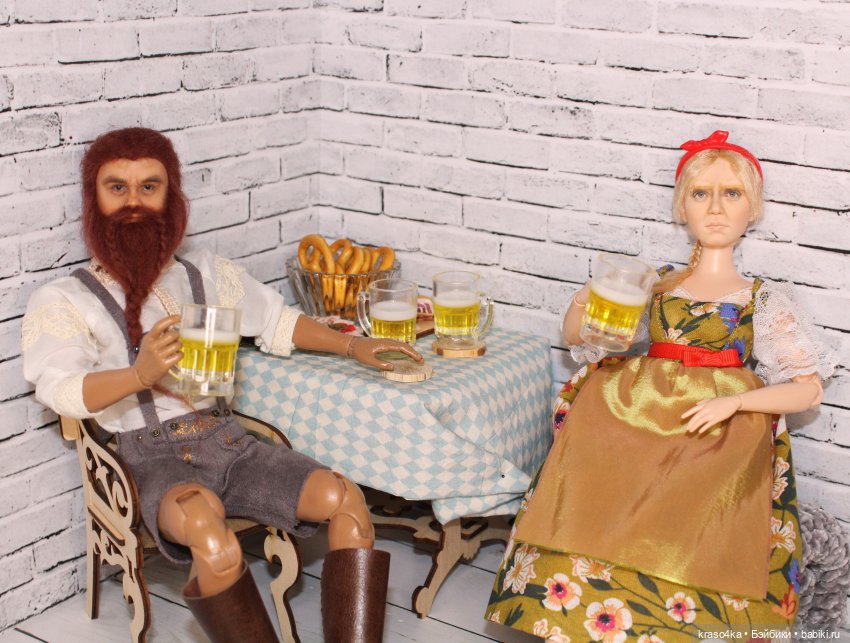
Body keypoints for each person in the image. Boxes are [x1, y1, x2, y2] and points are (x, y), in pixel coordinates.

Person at [22, 127, 423, 643]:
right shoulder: (65, 299)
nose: (134, 201)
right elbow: (61, 389)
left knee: (346, 499)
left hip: (228, 443)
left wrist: (353, 346)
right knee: (213, 542)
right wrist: (139, 375)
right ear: (93, 199)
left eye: (149, 186)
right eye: (116, 187)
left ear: (171, 196)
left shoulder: (204, 273)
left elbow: (276, 320)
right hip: (151, 460)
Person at [484, 131, 836, 642]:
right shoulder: (658, 282)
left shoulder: (761, 299)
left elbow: (807, 389)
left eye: (732, 193)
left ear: (752, 208)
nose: (715, 208)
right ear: (682, 206)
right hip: (640, 412)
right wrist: (589, 296)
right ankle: (580, 608)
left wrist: (737, 401)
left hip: (717, 431)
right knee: (595, 476)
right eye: (701, 193)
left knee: (708, 511)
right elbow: (582, 338)